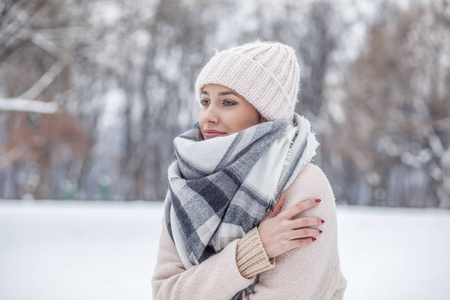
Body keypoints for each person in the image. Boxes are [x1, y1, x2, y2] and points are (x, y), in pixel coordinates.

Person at [152, 41, 347, 299]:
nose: (208, 116)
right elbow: (165, 293)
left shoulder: (302, 186)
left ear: (265, 115)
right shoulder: (186, 182)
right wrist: (252, 252)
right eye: (205, 101)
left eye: (228, 102)